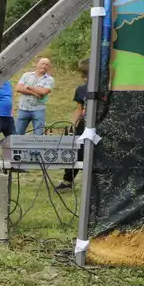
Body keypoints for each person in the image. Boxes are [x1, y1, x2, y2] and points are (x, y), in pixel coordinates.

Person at [55, 59, 90, 191]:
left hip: (100, 126)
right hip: (83, 126)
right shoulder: (81, 89)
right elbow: (79, 108)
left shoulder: (105, 89)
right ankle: (67, 181)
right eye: (83, 76)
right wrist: (73, 125)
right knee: (75, 151)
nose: (84, 78)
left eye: (86, 75)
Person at [15, 58, 54, 135]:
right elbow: (18, 88)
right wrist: (35, 93)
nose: (44, 66)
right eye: (43, 63)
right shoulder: (26, 75)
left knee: (38, 137)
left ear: (49, 67)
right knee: (17, 136)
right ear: (37, 64)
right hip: (23, 109)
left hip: (39, 110)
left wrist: (29, 87)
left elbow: (43, 92)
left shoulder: (50, 79)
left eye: (47, 65)